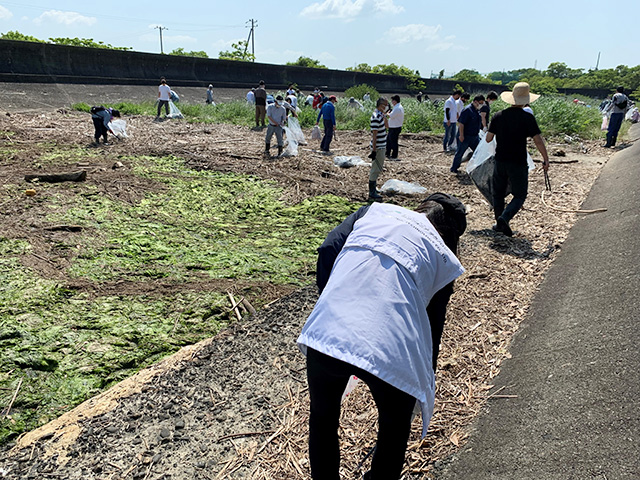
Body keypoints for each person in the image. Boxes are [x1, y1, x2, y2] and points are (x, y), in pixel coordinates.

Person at [297, 193, 467, 480]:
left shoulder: (374, 212)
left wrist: (334, 302)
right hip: (392, 346)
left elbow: (328, 249)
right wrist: (421, 384)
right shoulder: (442, 257)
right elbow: (432, 332)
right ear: (450, 234)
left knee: (323, 419)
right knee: (394, 429)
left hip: (328, 330)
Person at [486, 82, 550, 236]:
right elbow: (538, 140)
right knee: (520, 194)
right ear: (526, 100)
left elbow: (488, 139)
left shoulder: (498, 116)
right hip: (518, 161)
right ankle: (505, 218)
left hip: (500, 160)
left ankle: (499, 222)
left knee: (498, 193)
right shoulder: (527, 118)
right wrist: (545, 158)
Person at [450, 95, 485, 173]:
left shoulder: (476, 110)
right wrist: (461, 135)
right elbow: (461, 124)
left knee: (478, 152)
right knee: (459, 153)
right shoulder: (467, 110)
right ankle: (454, 168)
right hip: (465, 136)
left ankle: (476, 168)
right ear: (475, 101)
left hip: (475, 137)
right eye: (480, 103)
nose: (481, 105)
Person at [368, 97, 389, 201]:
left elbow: (387, 126)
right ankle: (371, 192)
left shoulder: (380, 115)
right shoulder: (376, 117)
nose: (386, 107)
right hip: (378, 147)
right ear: (380, 105)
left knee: (378, 168)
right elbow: (374, 136)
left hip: (382, 145)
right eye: (384, 105)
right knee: (375, 169)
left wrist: (385, 116)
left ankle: (374, 188)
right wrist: (374, 150)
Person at [386, 95, 405, 161]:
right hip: (393, 127)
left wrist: (387, 113)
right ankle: (387, 153)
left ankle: (394, 155)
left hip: (395, 127)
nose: (392, 102)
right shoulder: (397, 107)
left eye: (392, 100)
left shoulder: (397, 108)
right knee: (389, 141)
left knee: (393, 142)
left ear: (395, 101)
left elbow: (391, 116)